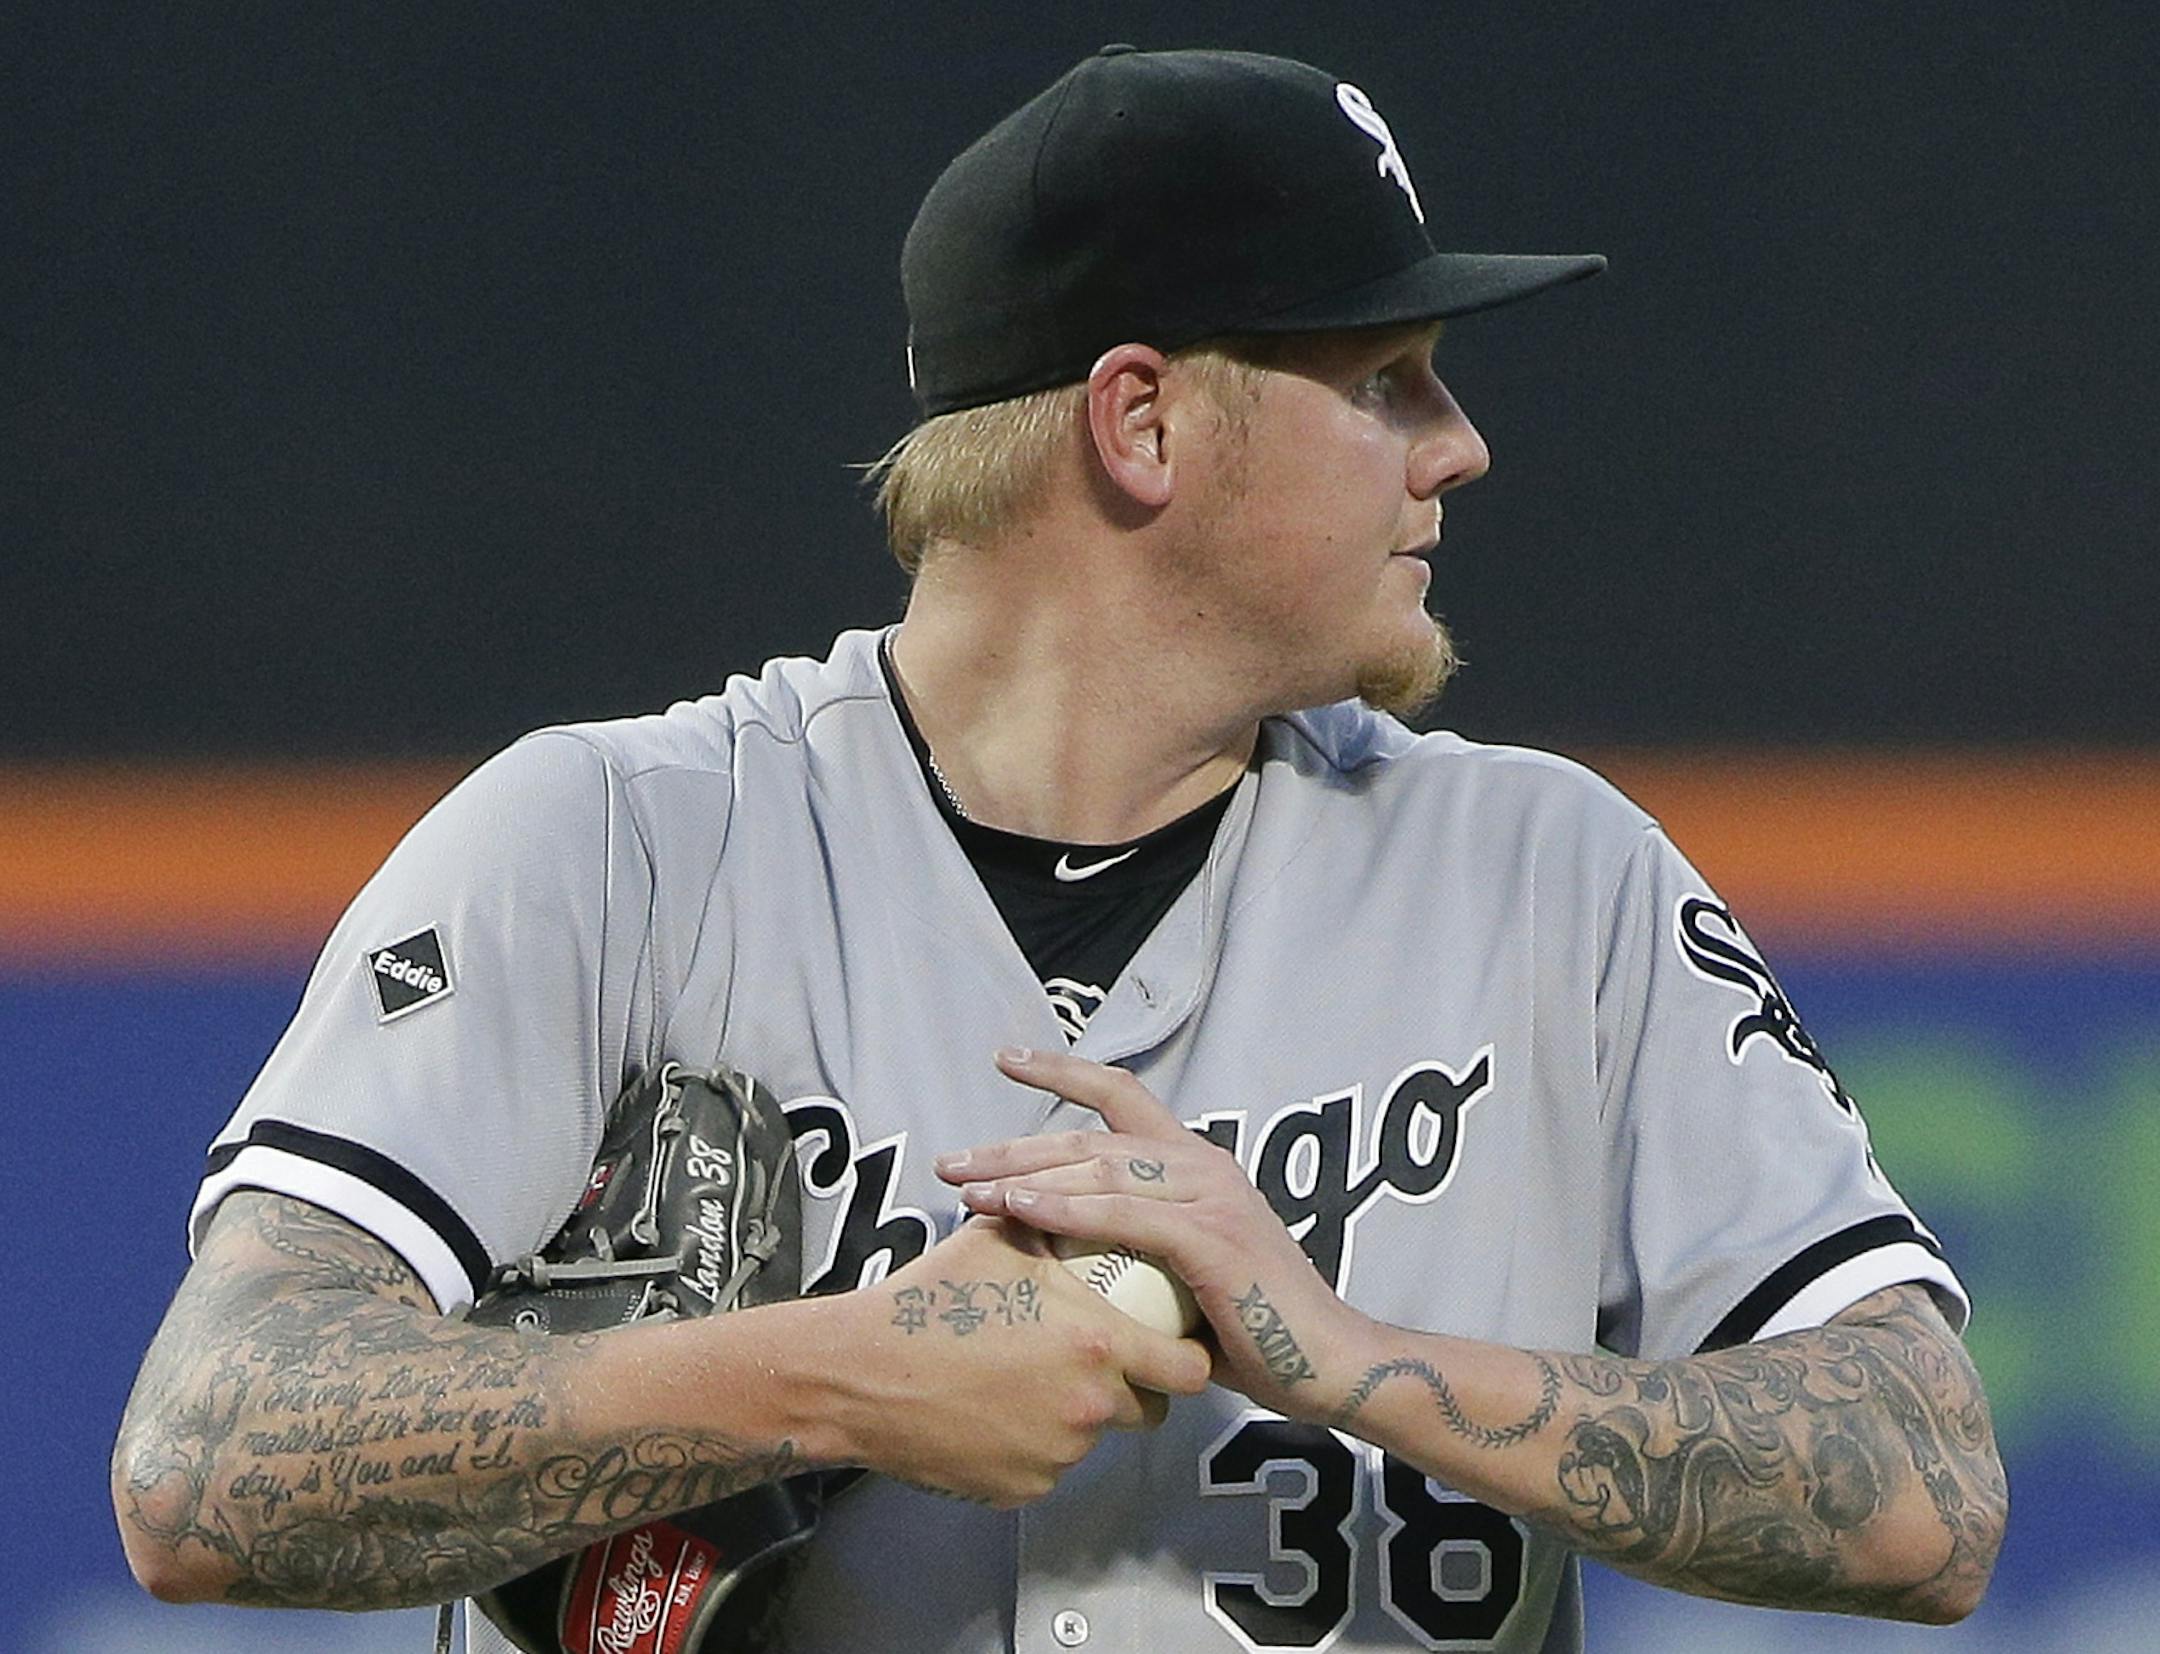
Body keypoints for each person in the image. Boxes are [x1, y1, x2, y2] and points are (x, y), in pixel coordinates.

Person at [112, 44, 2005, 1653]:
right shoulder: (609, 846)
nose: (1459, 446)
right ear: (1143, 419)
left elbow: (1924, 1490)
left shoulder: (1554, 878)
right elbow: (205, 1462)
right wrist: (831, 1369)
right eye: (1384, 379)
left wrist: (1344, 1353)